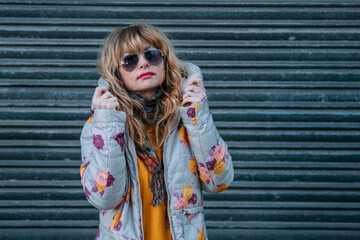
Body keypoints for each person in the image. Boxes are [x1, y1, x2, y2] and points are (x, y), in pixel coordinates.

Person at [80, 23, 234, 240]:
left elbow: (219, 181)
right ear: (117, 73)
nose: (143, 63)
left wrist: (197, 115)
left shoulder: (186, 118)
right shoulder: (98, 127)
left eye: (152, 55)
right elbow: (104, 198)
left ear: (165, 61)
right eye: (129, 60)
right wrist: (108, 123)